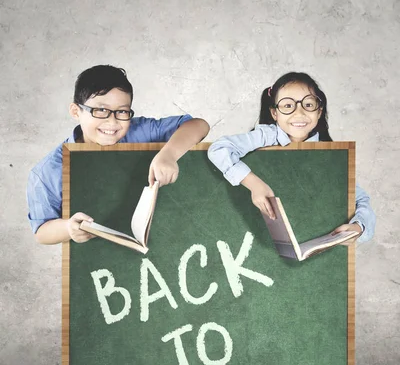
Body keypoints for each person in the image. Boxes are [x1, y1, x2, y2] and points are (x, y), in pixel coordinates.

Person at [27, 64, 209, 244]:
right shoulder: (48, 170)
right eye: (100, 110)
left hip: (159, 238)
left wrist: (169, 154)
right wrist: (68, 227)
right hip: (95, 258)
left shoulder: (139, 131)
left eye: (122, 111)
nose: (112, 122)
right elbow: (42, 231)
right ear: (76, 111)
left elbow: (198, 125)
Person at [207, 72, 375, 244]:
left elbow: (361, 199)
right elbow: (219, 149)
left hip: (311, 239)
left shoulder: (330, 157)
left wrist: (358, 227)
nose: (299, 113)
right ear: (274, 113)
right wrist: (254, 184)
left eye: (308, 104)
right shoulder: (265, 136)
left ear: (319, 111)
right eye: (288, 106)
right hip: (255, 237)